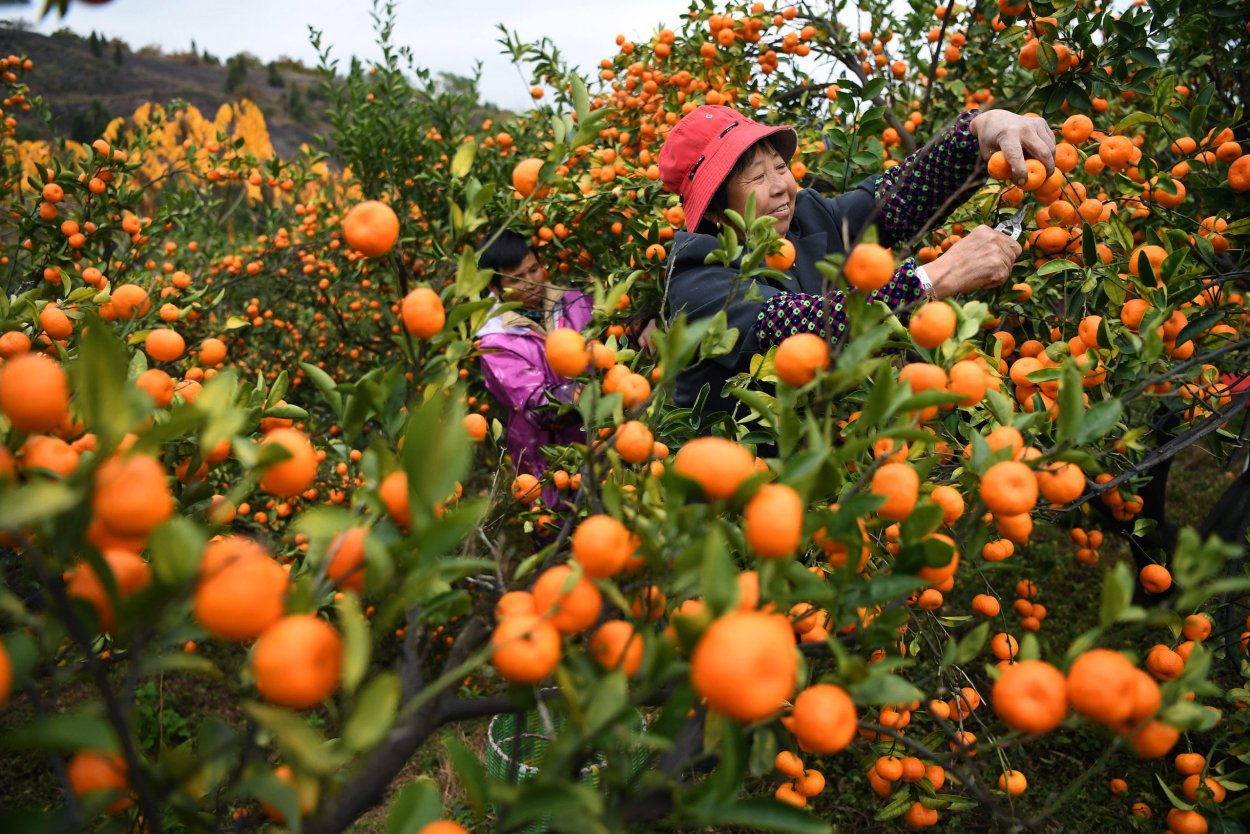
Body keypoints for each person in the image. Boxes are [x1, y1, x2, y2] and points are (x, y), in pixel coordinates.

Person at [658, 104, 1056, 420]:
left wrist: (977, 131)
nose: (781, 186)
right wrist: (933, 278)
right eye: (756, 179)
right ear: (713, 210)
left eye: (780, 167)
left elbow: (897, 197)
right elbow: (795, 329)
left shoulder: (806, 219)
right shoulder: (697, 281)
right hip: (740, 488)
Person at [475, 229, 592, 506]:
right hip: (547, 461)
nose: (531, 283)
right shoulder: (496, 343)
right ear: (494, 287)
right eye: (518, 278)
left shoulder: (576, 302)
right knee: (562, 534)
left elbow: (616, 333)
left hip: (603, 443)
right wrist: (597, 391)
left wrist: (639, 324)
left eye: (534, 270)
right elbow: (541, 407)